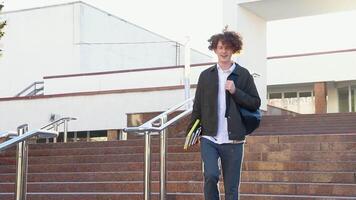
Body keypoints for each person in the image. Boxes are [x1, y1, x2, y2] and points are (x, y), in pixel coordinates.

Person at [189, 30, 261, 200]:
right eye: (220, 47)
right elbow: (197, 105)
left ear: (234, 49)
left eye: (228, 48)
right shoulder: (206, 76)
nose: (224, 51)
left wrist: (236, 91)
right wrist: (192, 131)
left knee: (231, 187)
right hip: (209, 137)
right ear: (214, 49)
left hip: (234, 139)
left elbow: (255, 102)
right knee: (211, 175)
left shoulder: (243, 74)